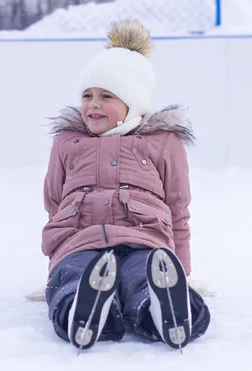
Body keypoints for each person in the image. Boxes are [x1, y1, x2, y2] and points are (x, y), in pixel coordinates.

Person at [42, 19, 210, 351]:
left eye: (106, 96)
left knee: (145, 275)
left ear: (133, 102)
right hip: (79, 242)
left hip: (142, 239)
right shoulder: (67, 143)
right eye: (87, 96)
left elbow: (178, 211)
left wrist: (183, 270)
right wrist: (55, 263)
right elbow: (54, 204)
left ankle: (165, 308)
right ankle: (81, 308)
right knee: (73, 274)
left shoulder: (161, 143)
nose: (93, 104)